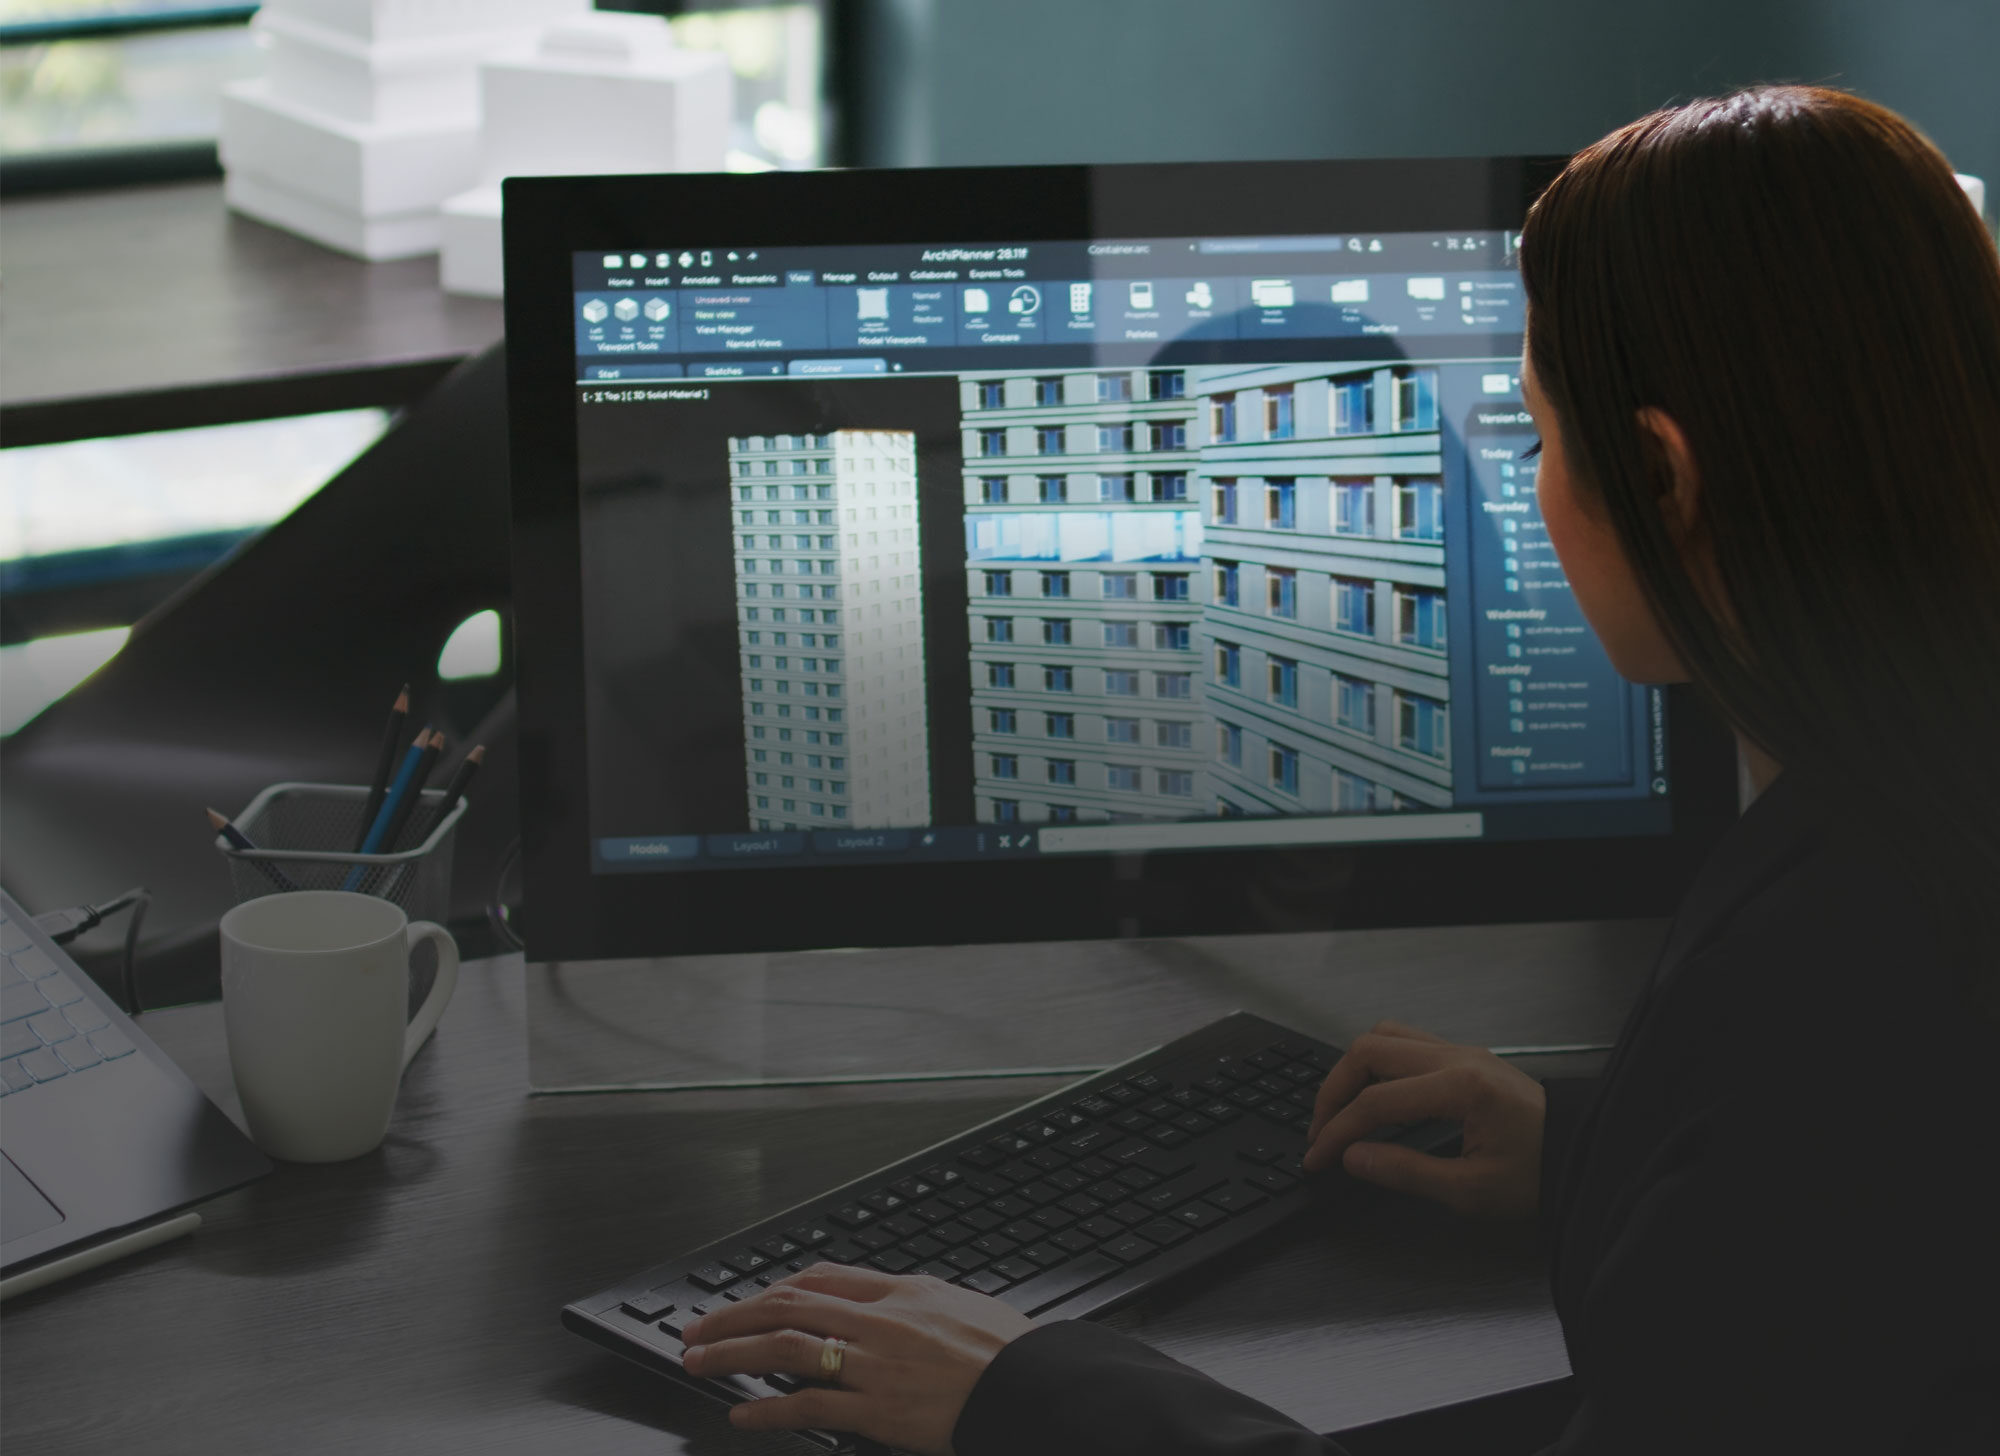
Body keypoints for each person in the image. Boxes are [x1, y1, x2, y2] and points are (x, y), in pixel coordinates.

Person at [674, 85, 2000, 1454]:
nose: (1529, 487)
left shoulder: (1840, 987)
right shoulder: (1917, 833)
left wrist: (1031, 1396)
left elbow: (1830, 1177)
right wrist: (1592, 1155)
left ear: (1663, 476)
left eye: (1539, 434)